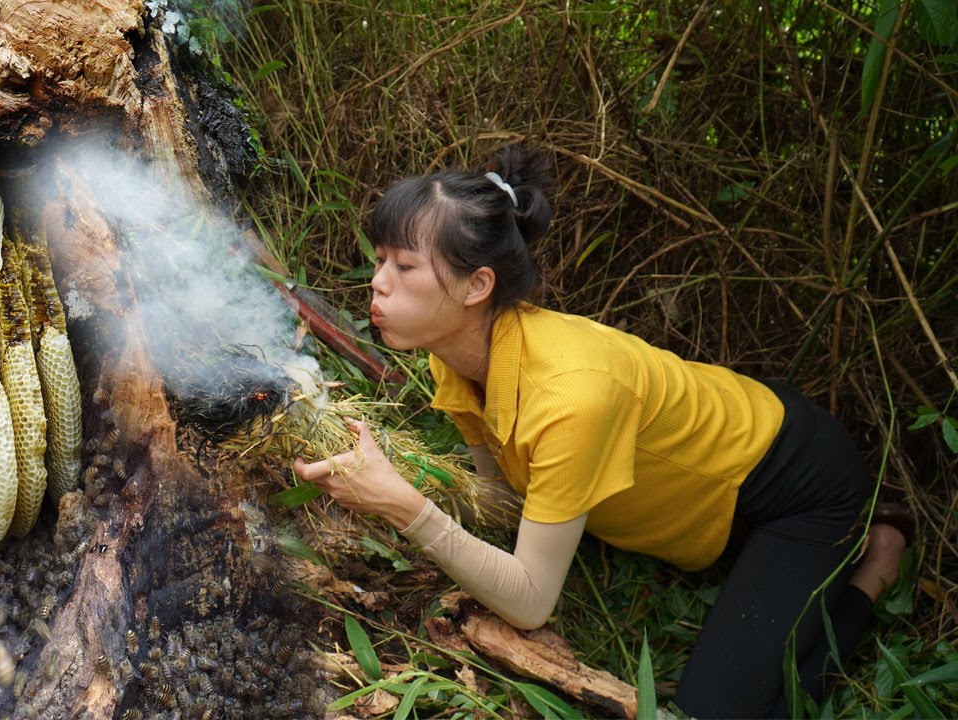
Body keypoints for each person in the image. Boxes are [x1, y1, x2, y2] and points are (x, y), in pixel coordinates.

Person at [291, 145, 909, 719]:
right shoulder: (452, 353)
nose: (378, 281)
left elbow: (530, 601)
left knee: (716, 709)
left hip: (795, 480)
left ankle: (878, 560)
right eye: (380, 260)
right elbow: (503, 503)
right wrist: (390, 476)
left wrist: (404, 506)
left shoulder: (572, 396)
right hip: (719, 465)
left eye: (404, 266)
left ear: (477, 285)